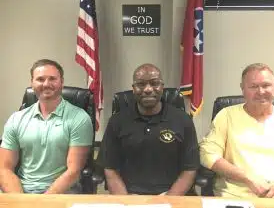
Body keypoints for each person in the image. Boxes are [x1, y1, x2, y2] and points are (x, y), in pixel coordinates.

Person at [200, 63, 274, 198]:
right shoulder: (227, 116)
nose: (261, 91)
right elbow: (208, 154)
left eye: (266, 85)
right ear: (242, 88)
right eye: (253, 86)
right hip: (237, 198)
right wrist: (248, 178)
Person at [101, 63, 200, 195]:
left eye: (154, 83)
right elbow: (110, 169)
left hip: (171, 195)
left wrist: (167, 202)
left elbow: (190, 169)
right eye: (141, 84)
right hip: (130, 196)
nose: (148, 89)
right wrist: (126, 202)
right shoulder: (117, 121)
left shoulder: (182, 120)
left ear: (162, 87)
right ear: (133, 88)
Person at [0, 59, 93, 194]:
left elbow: (73, 171)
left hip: (61, 193)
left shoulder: (79, 118)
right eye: (40, 79)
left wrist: (42, 202)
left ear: (61, 82)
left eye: (52, 79)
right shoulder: (17, 119)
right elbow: (4, 168)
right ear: (32, 83)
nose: (46, 84)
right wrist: (21, 201)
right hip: (21, 191)